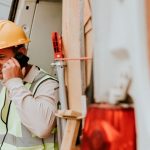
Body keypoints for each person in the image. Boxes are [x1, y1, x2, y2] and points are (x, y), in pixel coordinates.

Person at [0, 20, 59, 150]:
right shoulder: (5, 85)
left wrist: (14, 83)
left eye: (1, 57)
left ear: (21, 54)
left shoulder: (48, 85)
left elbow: (42, 128)